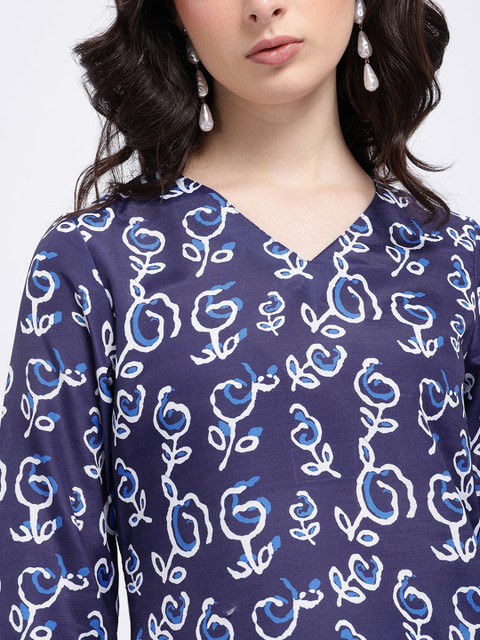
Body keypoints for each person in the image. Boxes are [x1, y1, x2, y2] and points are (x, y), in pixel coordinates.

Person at [1, 0, 479, 638]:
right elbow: (44, 580)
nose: (262, 7)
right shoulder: (95, 265)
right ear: (174, 14)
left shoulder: (458, 261)